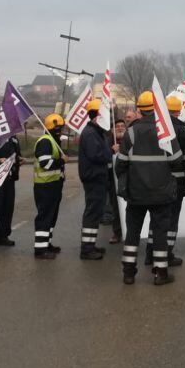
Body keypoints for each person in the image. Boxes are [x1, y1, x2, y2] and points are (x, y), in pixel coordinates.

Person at [115, 91, 183, 285]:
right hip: (161, 194)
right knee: (160, 233)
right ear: (157, 109)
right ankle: (160, 273)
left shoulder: (131, 132)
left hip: (136, 194)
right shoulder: (165, 132)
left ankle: (128, 273)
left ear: (140, 110)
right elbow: (177, 161)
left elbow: (121, 164)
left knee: (133, 233)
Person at [146, 96, 185, 266]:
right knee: (171, 220)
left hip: (155, 182)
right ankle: (166, 254)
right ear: (179, 110)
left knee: (156, 219)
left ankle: (150, 253)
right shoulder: (181, 131)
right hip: (176, 184)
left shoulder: (155, 128)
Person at [78, 99, 118, 260]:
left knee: (95, 213)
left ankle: (90, 244)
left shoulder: (96, 132)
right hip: (93, 178)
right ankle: (87, 249)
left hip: (98, 178)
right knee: (92, 213)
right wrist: (111, 150)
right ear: (97, 116)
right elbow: (96, 155)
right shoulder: (90, 133)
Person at [32, 113, 67, 260]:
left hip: (53, 185)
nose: (63, 131)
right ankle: (40, 249)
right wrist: (61, 161)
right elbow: (45, 163)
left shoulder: (53, 140)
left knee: (51, 216)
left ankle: (47, 243)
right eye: (61, 128)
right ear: (55, 128)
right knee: (45, 216)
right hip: (45, 186)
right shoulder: (45, 141)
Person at [105, 118, 127, 244]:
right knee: (115, 207)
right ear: (113, 130)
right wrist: (111, 150)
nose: (119, 128)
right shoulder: (107, 141)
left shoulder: (130, 140)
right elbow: (101, 157)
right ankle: (117, 232)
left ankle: (130, 233)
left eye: (122, 126)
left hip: (128, 179)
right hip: (113, 180)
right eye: (117, 126)